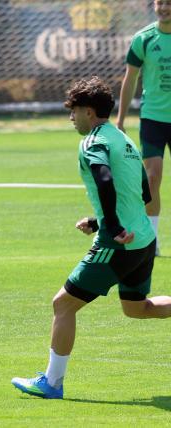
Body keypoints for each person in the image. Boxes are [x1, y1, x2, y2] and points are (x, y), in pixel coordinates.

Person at [12, 76, 171, 399]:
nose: (71, 117)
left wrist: (110, 227)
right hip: (143, 239)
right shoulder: (124, 140)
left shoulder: (94, 141)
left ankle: (52, 383)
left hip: (120, 242)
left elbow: (104, 176)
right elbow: (142, 190)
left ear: (88, 111)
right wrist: (99, 221)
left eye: (74, 111)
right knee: (137, 308)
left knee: (63, 304)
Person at [116, 0, 171, 256]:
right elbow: (130, 79)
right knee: (152, 177)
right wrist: (120, 120)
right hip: (153, 119)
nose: (164, 8)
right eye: (161, 3)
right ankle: (153, 240)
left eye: (169, 3)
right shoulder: (144, 38)